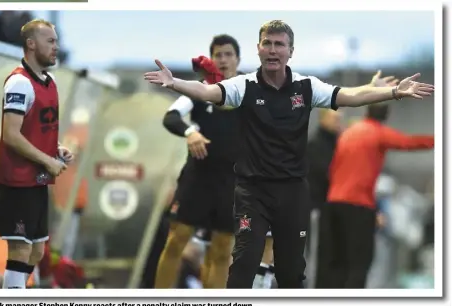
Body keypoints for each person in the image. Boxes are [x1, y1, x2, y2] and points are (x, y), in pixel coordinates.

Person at [144, 19, 435, 288]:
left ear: (290, 51)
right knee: (244, 262)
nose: (273, 50)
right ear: (258, 49)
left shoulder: (307, 87)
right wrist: (175, 83)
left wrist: (394, 92)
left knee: (290, 271)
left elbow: (350, 96)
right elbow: (207, 92)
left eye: (279, 44)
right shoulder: (243, 85)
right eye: (267, 43)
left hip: (293, 193)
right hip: (252, 192)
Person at [154, 34, 242, 288]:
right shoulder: (200, 89)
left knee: (223, 248)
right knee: (177, 239)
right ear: (211, 59)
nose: (223, 60)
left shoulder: (250, 91)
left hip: (232, 181)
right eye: (218, 55)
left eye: (228, 54)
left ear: (238, 59)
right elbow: (171, 117)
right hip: (199, 176)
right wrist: (190, 132)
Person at [315, 102, 434, 288]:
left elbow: (333, 170)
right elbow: (409, 143)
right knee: (359, 263)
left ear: (366, 110)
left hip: (333, 204)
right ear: (386, 115)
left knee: (336, 262)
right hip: (358, 205)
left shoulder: (347, 134)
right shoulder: (377, 132)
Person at [0, 19, 72, 289]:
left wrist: (56, 148)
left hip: (37, 181)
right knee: (20, 252)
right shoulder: (19, 82)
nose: (56, 47)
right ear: (31, 44)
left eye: (56, 41)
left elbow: (35, 129)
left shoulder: (49, 82)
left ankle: (11, 290)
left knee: (37, 252)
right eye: (50, 41)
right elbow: (12, 135)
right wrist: (48, 160)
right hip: (16, 182)